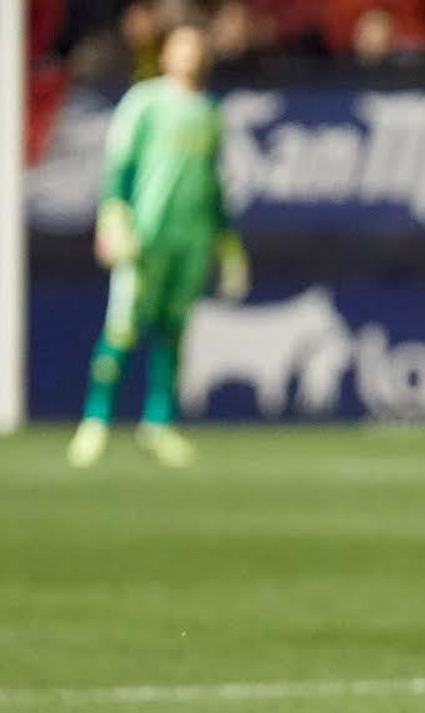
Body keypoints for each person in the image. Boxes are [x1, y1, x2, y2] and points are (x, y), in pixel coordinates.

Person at [67, 21, 249, 469]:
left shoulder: (209, 113)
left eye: (196, 46)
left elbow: (212, 184)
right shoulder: (144, 102)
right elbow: (120, 165)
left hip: (190, 239)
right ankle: (95, 421)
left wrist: (226, 243)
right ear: (166, 54)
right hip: (144, 236)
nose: (190, 53)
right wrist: (113, 215)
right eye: (181, 45)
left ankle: (158, 423)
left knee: (172, 330)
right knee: (123, 327)